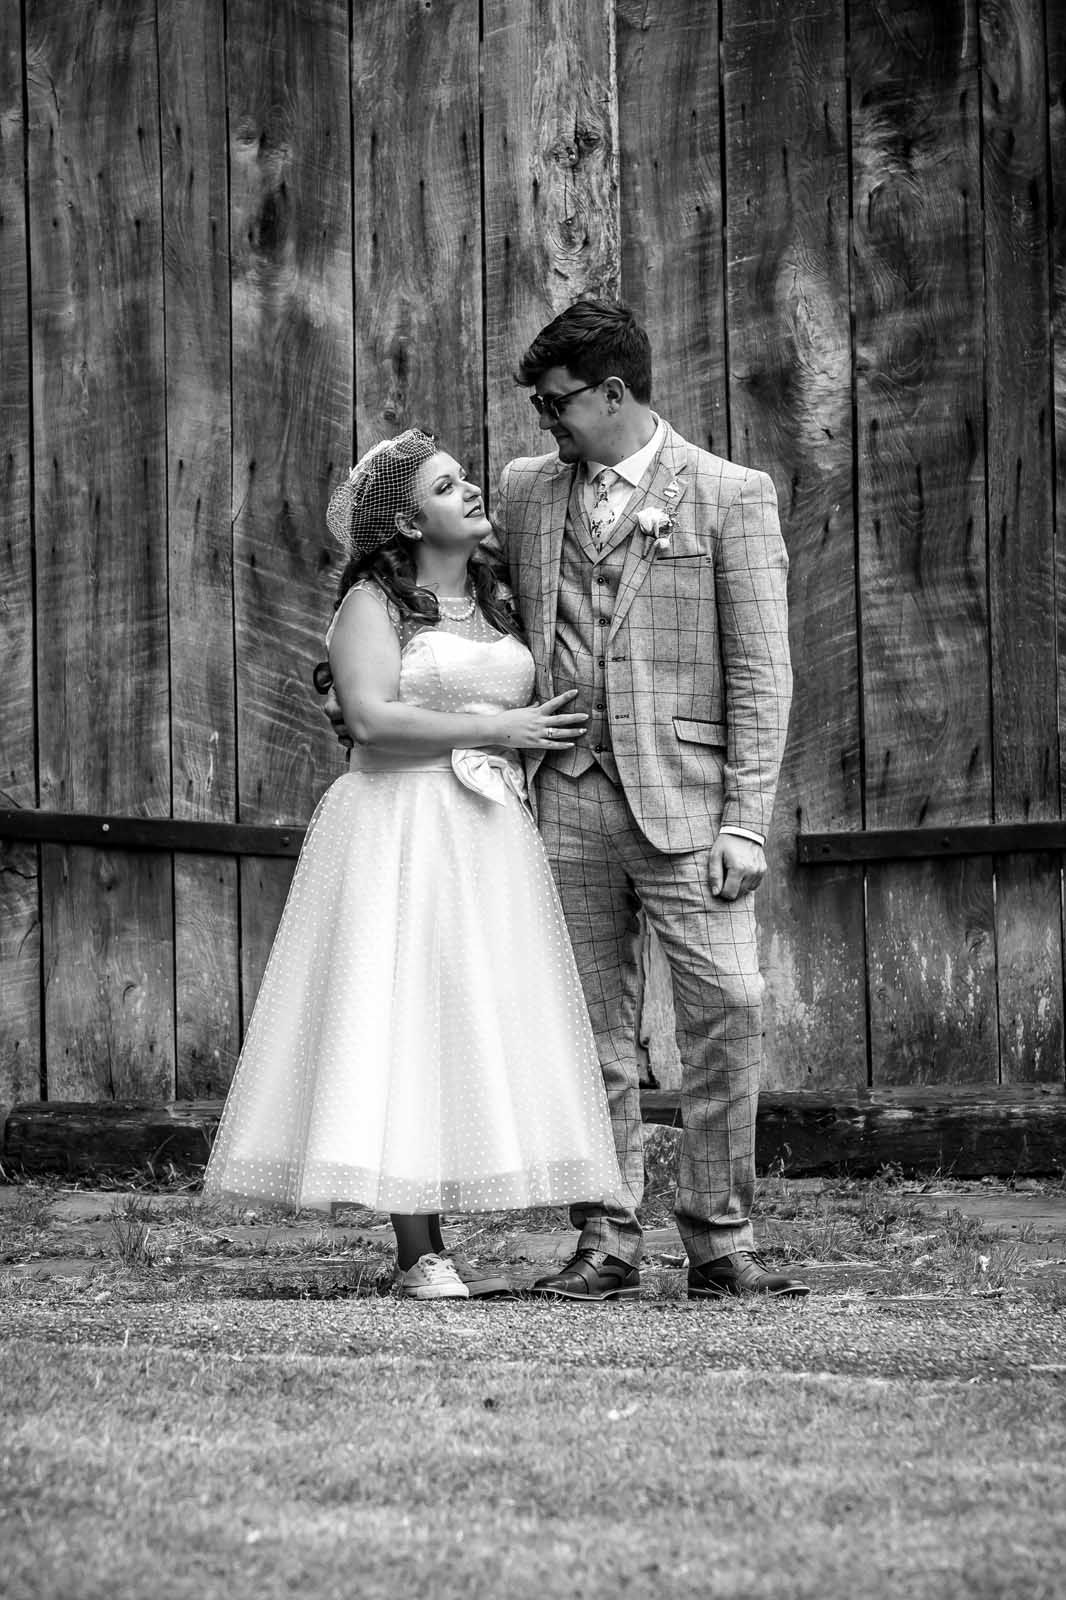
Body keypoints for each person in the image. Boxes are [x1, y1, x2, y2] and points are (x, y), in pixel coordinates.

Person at [204, 428, 623, 1300]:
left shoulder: (504, 600)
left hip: (489, 837)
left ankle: (463, 1215)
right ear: (406, 518)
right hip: (398, 825)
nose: (472, 490)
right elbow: (370, 718)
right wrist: (496, 729)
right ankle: (417, 1250)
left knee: (465, 1019)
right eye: (446, 485)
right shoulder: (372, 603)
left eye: (466, 478)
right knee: (398, 1015)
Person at [489, 299, 809, 1301]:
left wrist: (746, 820)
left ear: (614, 393)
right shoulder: (524, 493)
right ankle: (605, 1238)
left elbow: (762, 671)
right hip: (566, 800)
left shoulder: (727, 494)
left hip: (688, 804)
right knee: (589, 1031)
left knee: (729, 1008)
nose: (544, 420)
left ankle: (717, 1239)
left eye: (556, 402)